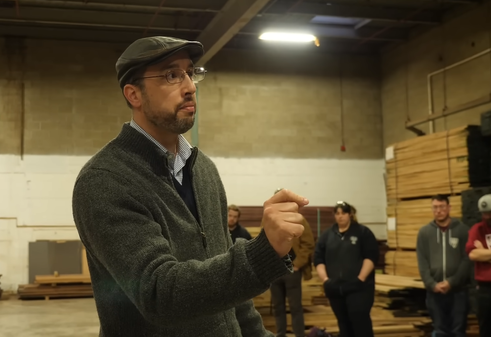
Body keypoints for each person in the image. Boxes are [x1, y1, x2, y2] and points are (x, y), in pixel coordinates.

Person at [71, 36, 308, 337]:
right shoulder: (105, 180)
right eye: (171, 75)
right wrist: (261, 254)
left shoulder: (204, 170)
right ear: (134, 95)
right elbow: (158, 293)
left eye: (190, 72)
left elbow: (234, 300)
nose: (190, 87)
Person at [313, 201, 379, 337]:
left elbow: (371, 257)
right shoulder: (327, 235)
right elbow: (318, 259)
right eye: (337, 213)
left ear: (350, 214)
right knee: (343, 324)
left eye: (343, 213)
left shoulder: (363, 233)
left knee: (360, 322)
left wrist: (360, 279)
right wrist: (326, 280)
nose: (340, 216)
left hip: (358, 288)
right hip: (335, 289)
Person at [416, 194, 470, 337]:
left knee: (458, 331)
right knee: (440, 331)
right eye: (435, 207)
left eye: (442, 207)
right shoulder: (424, 232)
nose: (438, 210)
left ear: (449, 208)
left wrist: (452, 282)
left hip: (458, 291)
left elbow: (467, 259)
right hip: (434, 292)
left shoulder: (462, 230)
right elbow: (422, 261)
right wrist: (432, 284)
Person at [269, 190, 315, 337]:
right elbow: (264, 243)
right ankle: (280, 334)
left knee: (295, 307)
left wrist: (297, 264)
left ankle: (299, 335)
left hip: (292, 271)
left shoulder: (299, 220)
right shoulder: (268, 220)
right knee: (278, 307)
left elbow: (308, 244)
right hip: (275, 270)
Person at [466, 194, 491, 337]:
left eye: (490, 213)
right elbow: (473, 255)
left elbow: (479, 253)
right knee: (486, 328)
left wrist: (485, 253)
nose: (487, 216)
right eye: (484, 213)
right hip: (485, 289)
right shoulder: (477, 229)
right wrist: (480, 253)